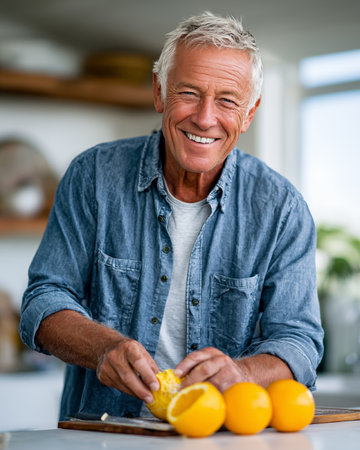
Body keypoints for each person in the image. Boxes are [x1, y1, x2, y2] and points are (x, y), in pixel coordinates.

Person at [20, 11, 323, 420]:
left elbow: (299, 342)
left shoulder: (283, 209)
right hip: (105, 434)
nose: (204, 117)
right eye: (189, 93)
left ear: (249, 114)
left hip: (221, 438)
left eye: (228, 101)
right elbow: (43, 302)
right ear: (160, 91)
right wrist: (103, 347)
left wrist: (243, 372)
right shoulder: (93, 177)